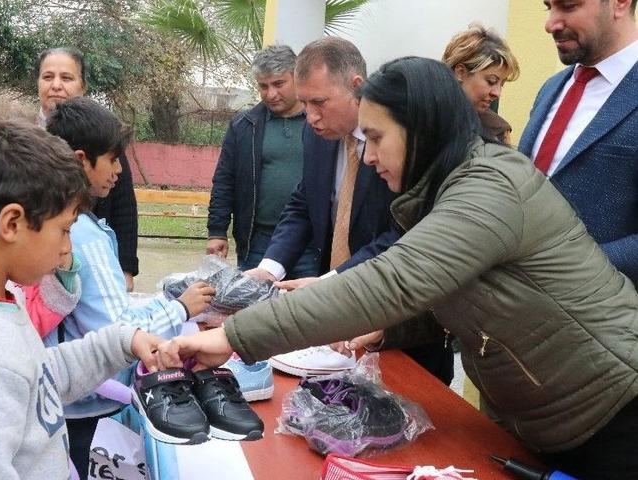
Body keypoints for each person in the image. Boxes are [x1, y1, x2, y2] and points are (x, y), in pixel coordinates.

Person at [156, 57, 638, 480]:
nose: (367, 157)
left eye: (377, 138)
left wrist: (232, 337)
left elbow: (394, 280)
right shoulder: (447, 189)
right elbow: (465, 294)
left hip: (612, 412)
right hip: (545, 419)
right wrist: (391, 331)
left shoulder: (490, 186)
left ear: (421, 130)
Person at [0, 118, 165, 480]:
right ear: (12, 224)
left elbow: (36, 378)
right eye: (64, 230)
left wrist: (121, 342)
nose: (68, 246)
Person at [245, 37, 453, 385]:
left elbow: (404, 232)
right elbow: (304, 202)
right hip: (338, 334)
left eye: (319, 102)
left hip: (400, 333)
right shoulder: (318, 135)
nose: (309, 116)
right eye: (305, 102)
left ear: (356, 86)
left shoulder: (404, 139)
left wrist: (330, 285)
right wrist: (270, 269)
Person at [46, 97, 215, 479]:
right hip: (90, 409)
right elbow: (114, 326)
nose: (119, 170)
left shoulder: (84, 226)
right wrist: (180, 309)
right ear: (80, 160)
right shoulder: (83, 236)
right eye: (112, 159)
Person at [518, 0, 638, 286]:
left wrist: (567, 267)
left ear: (619, 3)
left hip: (605, 320)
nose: (550, 23)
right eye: (548, 6)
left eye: (568, 6)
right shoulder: (551, 88)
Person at [206, 44, 318, 277]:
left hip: (312, 243)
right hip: (257, 243)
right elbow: (225, 180)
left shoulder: (320, 122)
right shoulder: (244, 125)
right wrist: (217, 231)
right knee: (254, 309)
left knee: (308, 309)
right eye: (263, 86)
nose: (271, 94)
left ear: (297, 77)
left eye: (279, 84)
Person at [36, 47, 140, 291]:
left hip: (94, 265)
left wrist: (125, 269)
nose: (56, 85)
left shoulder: (105, 135)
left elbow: (125, 208)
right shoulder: (23, 137)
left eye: (67, 78)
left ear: (82, 87)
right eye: (48, 77)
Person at [442, 24, 520, 144]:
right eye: (491, 81)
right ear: (460, 72)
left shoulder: (498, 132)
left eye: (502, 84)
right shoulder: (417, 117)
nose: (497, 93)